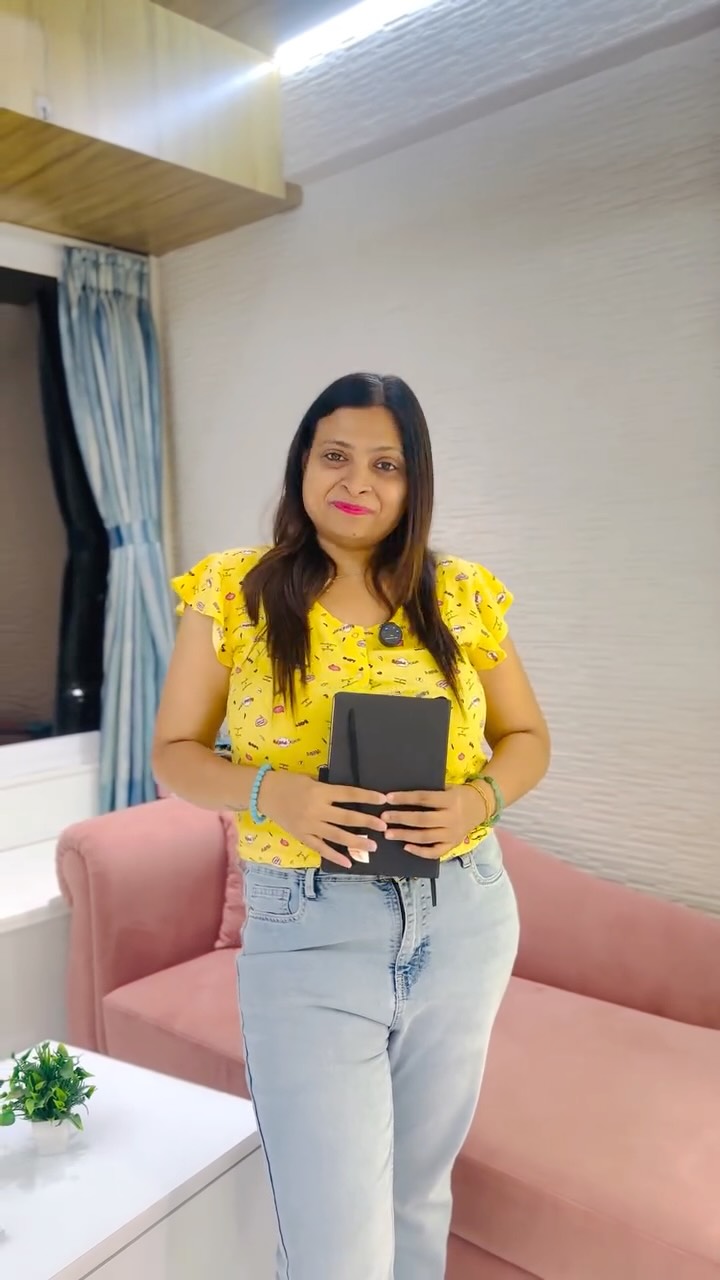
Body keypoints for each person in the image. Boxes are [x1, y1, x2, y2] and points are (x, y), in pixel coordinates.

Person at [153, 372, 550, 1280]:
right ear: (303, 463)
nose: (357, 481)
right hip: (308, 925)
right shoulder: (235, 591)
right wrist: (272, 794)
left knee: (418, 1201)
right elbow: (174, 753)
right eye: (335, 455)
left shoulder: (460, 595)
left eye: (386, 465)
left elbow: (527, 737)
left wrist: (478, 802)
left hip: (464, 915)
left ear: (414, 484)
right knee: (337, 1250)